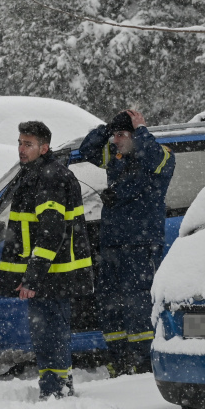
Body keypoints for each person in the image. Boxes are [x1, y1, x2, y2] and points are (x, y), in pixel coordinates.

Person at [0, 121, 94, 399]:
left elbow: (51, 232)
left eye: (28, 144)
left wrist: (32, 276)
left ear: (44, 147)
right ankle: (55, 388)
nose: (21, 149)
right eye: (19, 142)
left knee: (50, 334)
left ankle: (56, 391)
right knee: (47, 334)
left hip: (53, 275)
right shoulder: (36, 174)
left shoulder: (49, 177)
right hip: (49, 274)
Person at [76, 109, 175, 376]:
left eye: (122, 135)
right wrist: (108, 129)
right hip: (112, 244)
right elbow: (87, 150)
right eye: (115, 136)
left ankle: (143, 364)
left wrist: (140, 130)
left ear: (136, 135)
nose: (116, 141)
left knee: (138, 306)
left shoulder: (160, 155)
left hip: (141, 244)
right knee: (110, 305)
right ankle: (118, 361)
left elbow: (153, 156)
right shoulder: (115, 156)